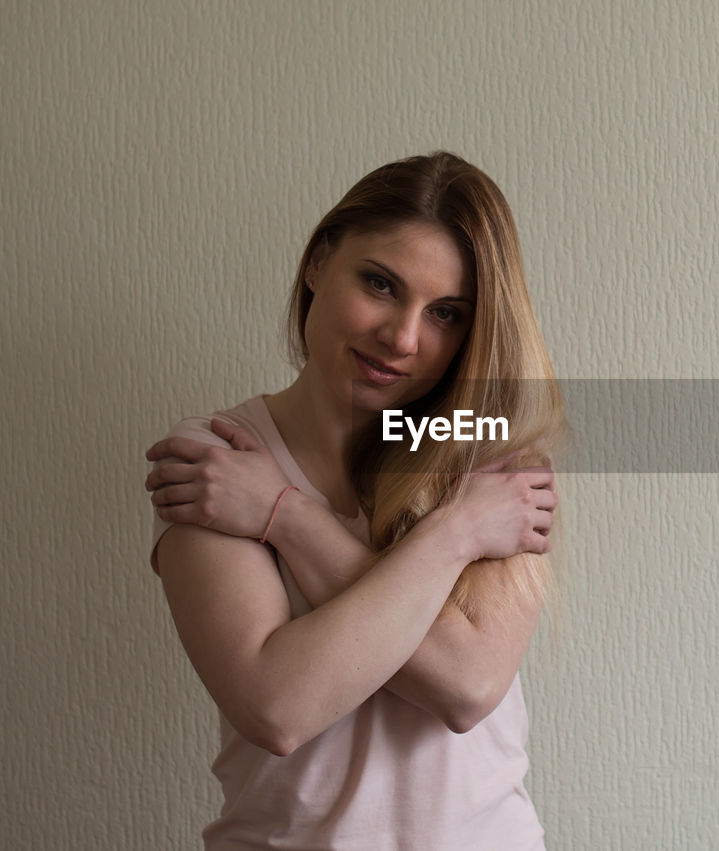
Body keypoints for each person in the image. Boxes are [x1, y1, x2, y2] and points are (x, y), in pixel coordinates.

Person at [144, 152, 567, 850]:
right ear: (318, 263)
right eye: (380, 284)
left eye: (446, 313)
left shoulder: (491, 459)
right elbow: (278, 705)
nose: (402, 337)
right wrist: (458, 535)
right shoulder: (216, 459)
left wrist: (286, 517)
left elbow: (467, 684)